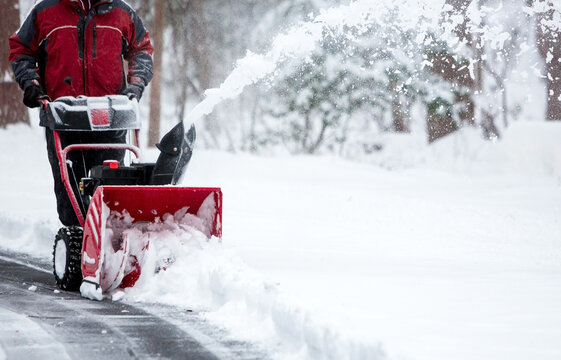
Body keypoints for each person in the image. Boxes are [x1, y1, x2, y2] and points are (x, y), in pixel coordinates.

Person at [9, 0, 154, 226]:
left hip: (110, 117)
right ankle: (77, 240)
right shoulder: (45, 10)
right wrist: (31, 83)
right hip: (63, 116)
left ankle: (110, 240)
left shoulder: (121, 12)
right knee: (70, 192)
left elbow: (142, 49)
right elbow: (21, 48)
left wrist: (136, 85)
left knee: (111, 189)